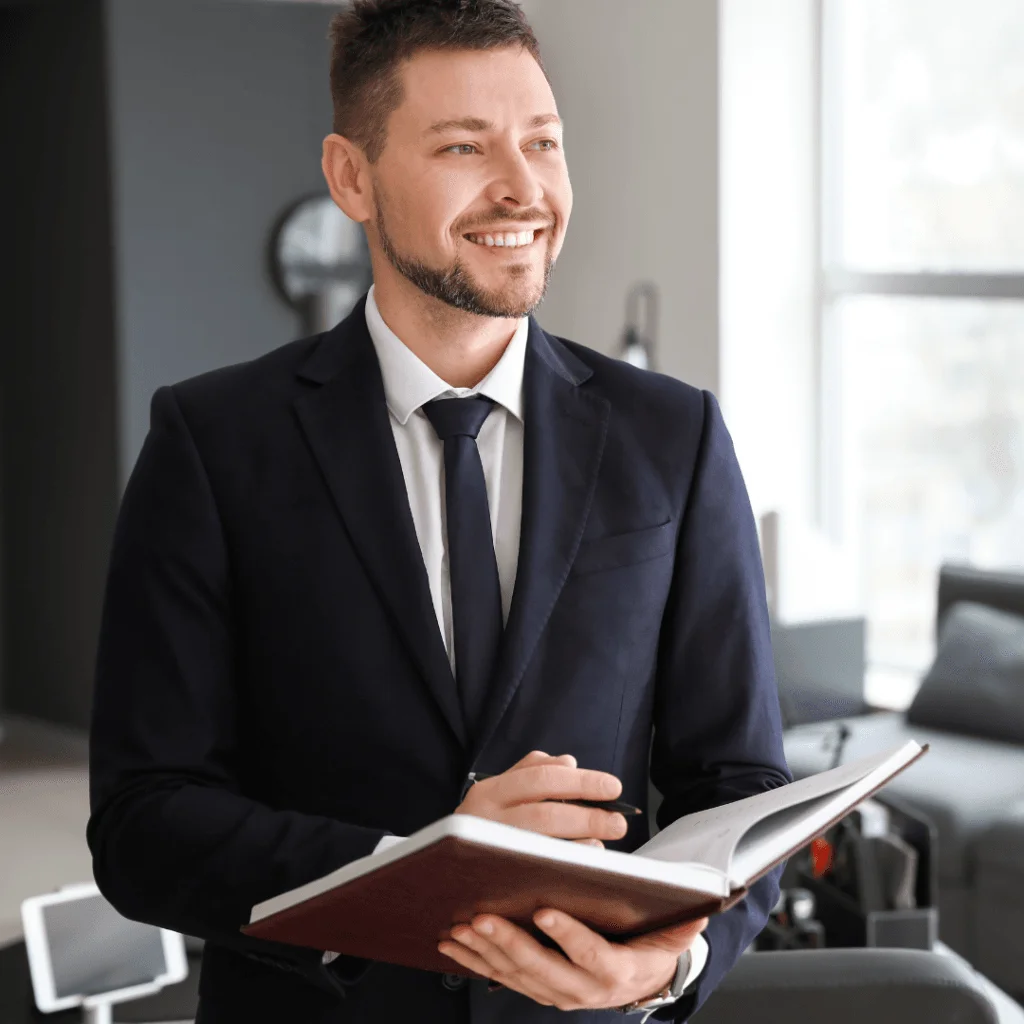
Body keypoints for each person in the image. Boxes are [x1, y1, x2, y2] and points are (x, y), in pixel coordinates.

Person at [86, 1, 792, 1022]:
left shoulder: (672, 437)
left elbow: (739, 782)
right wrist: (416, 867)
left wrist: (668, 965)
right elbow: (144, 825)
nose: (523, 187)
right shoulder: (209, 442)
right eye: (465, 145)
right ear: (351, 178)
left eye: (542, 142)